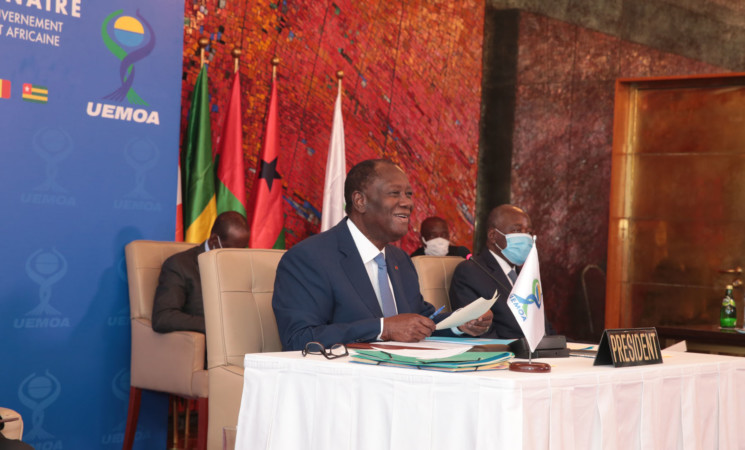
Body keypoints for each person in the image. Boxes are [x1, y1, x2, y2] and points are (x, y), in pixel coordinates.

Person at [272, 159, 492, 351]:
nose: (407, 202)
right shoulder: (309, 258)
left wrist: (461, 323)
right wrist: (383, 329)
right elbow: (300, 339)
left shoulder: (400, 259)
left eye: (408, 194)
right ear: (360, 201)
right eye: (394, 193)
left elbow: (420, 319)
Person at [449, 204, 552, 339]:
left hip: (546, 352)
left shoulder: (525, 274)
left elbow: (545, 329)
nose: (525, 237)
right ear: (493, 235)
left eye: (528, 232)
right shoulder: (471, 272)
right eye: (517, 230)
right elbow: (482, 335)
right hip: (512, 356)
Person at [152, 211, 250, 334]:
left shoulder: (243, 265)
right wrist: (215, 325)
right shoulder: (180, 265)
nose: (239, 255)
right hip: (207, 342)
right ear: (214, 240)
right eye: (234, 250)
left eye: (243, 249)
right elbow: (164, 317)